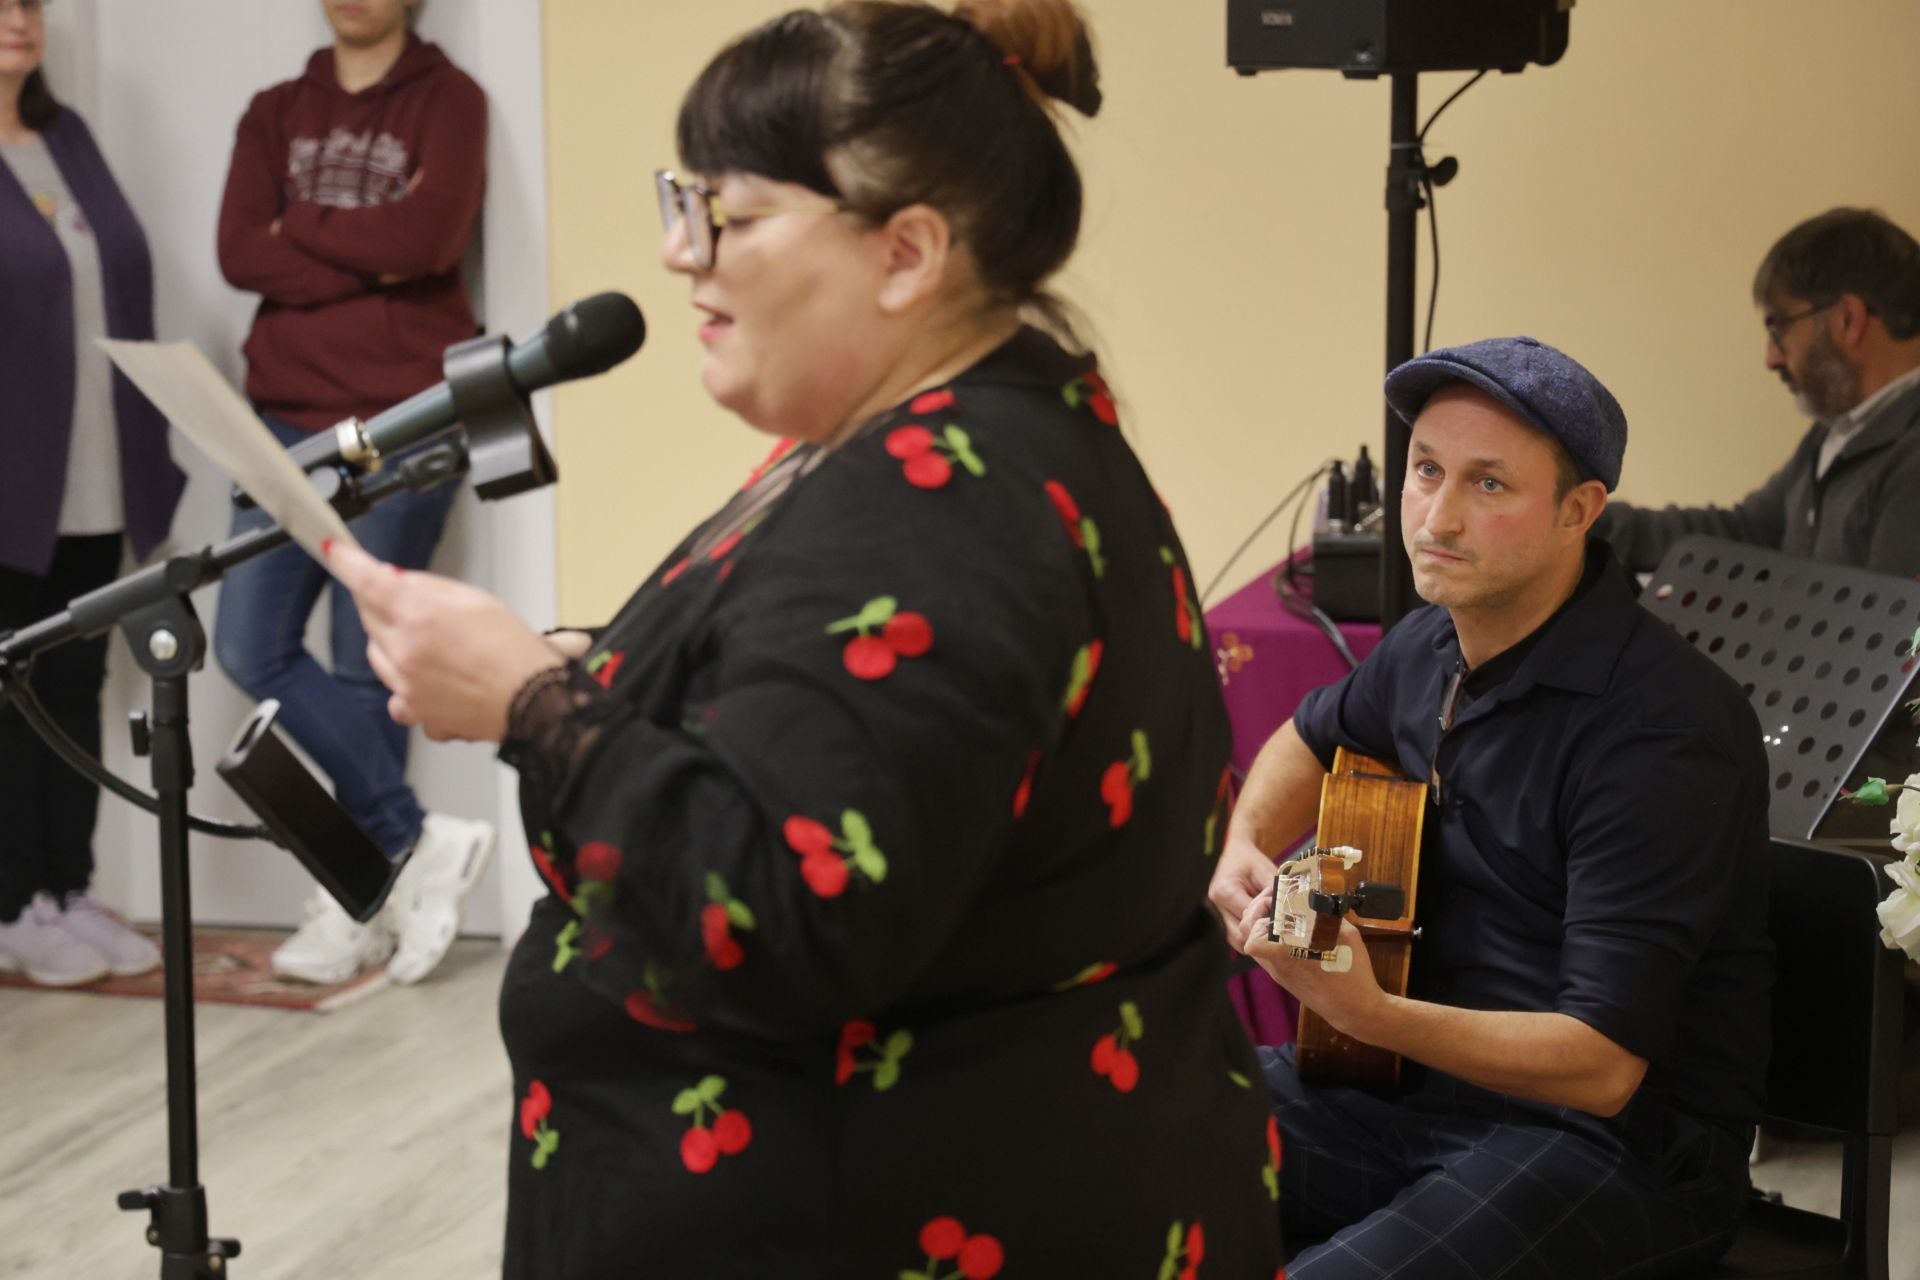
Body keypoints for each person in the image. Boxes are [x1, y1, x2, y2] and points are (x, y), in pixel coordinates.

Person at [324, 1, 1284, 1273]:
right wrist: (590, 673)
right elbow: (846, 722)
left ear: (906, 254)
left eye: (734, 211)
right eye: (687, 199)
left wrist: (531, 707)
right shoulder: (983, 430)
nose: (684, 253)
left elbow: (785, 918)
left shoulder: (941, 499)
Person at [1210, 337, 1774, 1278]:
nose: (1437, 516)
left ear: (1579, 513)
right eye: (1426, 470)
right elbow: (1312, 738)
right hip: (1413, 1096)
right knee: (1120, 1130)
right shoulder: (1429, 642)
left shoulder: (1663, 730)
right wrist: (1245, 845)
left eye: (1489, 485)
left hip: (1612, 1153)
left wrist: (1373, 1011)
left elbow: (1600, 1064)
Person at [214, 0, 493, 986]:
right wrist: (366, 254)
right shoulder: (272, 111)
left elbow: (427, 237)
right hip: (282, 422)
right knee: (249, 644)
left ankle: (358, 897)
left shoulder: (451, 102)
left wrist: (307, 229)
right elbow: (240, 250)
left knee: (367, 661)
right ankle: (413, 842)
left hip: (405, 418)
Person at [0, 0, 186, 986]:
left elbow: (123, 280)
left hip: (94, 469)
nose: (16, 19)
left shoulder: (66, 136)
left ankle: (67, 889)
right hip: (8, 485)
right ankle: (12, 904)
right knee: (7, 697)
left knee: (75, 686)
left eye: (27, 2)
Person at [1597, 207, 1920, 578]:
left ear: (1847, 318)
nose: (1770, 357)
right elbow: (1745, 534)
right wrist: (1588, 524)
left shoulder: (1909, 455)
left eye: (1778, 327)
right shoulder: (1836, 435)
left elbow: (1898, 631)